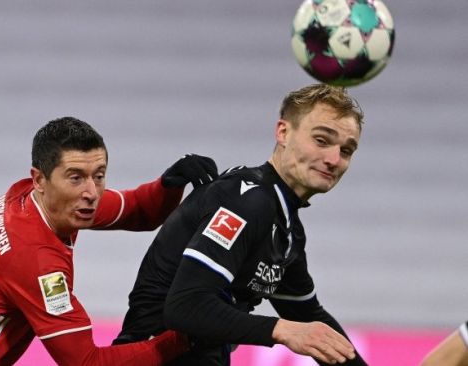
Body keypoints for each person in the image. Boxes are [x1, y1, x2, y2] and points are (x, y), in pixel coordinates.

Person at [0, 117, 218, 366]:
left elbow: (139, 210)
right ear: (39, 178)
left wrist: (170, 182)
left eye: (99, 176)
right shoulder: (35, 260)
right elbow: (86, 363)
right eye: (76, 177)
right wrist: (183, 338)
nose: (92, 193)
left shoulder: (32, 201)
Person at [114, 84, 368, 365]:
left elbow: (308, 317)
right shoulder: (247, 201)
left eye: (346, 151)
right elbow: (185, 305)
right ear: (283, 132)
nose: (334, 160)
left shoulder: (287, 229)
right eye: (321, 140)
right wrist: (281, 330)